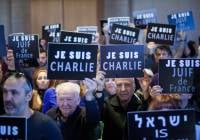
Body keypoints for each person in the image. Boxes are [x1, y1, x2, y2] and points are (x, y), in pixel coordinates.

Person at [2, 72, 63, 140]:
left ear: (28, 96)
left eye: (14, 92)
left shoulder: (47, 126)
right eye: (5, 92)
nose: (7, 98)